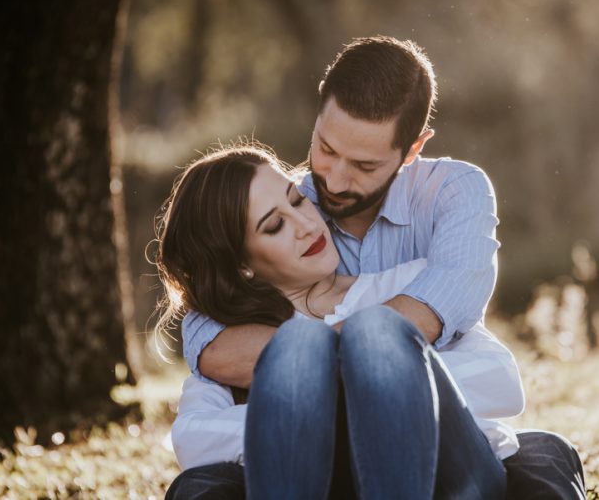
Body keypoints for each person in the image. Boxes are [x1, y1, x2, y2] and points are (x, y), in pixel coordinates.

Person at [166, 36, 586, 499]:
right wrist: (322, 374)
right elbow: (206, 330)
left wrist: (307, 401)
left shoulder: (442, 211)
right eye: (326, 148)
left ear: (411, 151)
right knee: (303, 349)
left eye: (364, 165)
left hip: (446, 471)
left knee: (374, 334)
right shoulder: (296, 199)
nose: (332, 180)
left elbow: (494, 375)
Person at [156, 145, 524, 498]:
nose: (305, 223)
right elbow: (192, 439)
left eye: (298, 200)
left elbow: (501, 380)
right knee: (299, 347)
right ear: (242, 265)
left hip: (450, 481)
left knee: (375, 331)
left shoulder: (407, 285)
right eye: (274, 226)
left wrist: (326, 402)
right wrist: (325, 395)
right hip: (318, 487)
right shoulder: (237, 341)